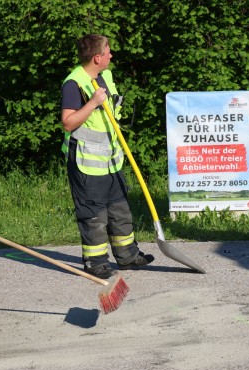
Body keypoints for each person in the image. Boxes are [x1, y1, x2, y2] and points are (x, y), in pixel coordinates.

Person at [61, 34, 154, 278]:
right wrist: (92, 103)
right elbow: (68, 123)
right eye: (108, 51)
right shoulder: (74, 84)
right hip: (87, 162)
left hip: (111, 161)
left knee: (120, 210)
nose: (111, 55)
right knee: (94, 216)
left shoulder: (105, 76)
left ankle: (127, 256)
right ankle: (96, 263)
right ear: (97, 57)